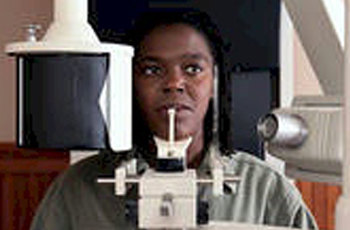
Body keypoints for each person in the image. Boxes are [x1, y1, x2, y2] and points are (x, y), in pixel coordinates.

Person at [30, 9, 318, 230]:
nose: (174, 83)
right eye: (152, 70)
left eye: (192, 68)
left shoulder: (266, 192)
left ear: (215, 83)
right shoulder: (76, 191)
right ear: (129, 83)